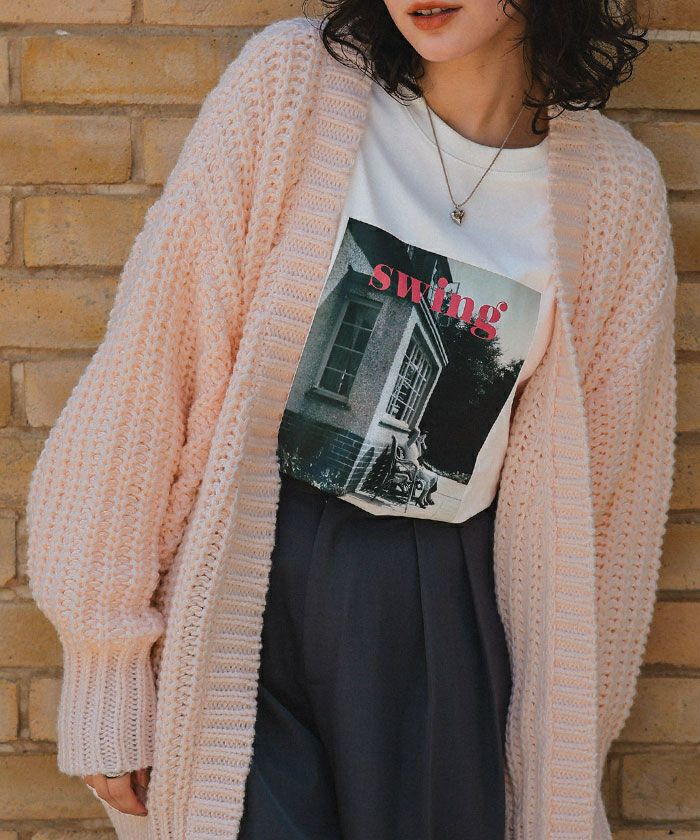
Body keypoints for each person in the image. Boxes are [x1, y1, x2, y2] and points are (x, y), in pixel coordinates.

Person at [24, 1, 678, 839]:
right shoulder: (295, 89)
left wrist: (564, 754)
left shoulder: (615, 194)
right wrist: (106, 659)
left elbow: (609, 516)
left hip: (443, 615)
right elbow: (152, 369)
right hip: (250, 585)